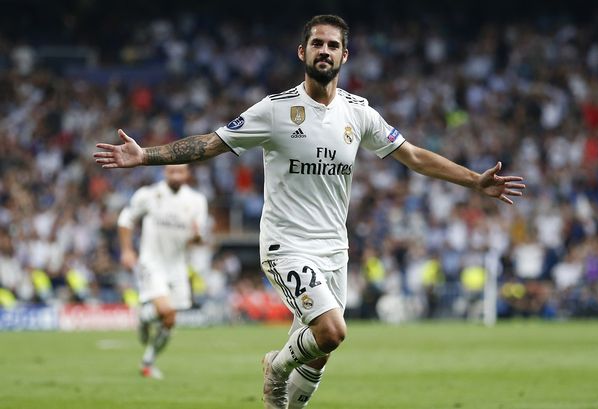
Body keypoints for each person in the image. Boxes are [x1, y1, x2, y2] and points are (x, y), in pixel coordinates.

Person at [95, 14, 524, 408]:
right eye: (317, 43)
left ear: (344, 56)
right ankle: (275, 367)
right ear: (302, 52)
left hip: (334, 249)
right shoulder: (275, 110)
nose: (324, 51)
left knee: (320, 352)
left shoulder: (359, 113)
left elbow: (412, 155)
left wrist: (474, 180)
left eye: (333, 45)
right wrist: (145, 156)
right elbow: (211, 143)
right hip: (286, 245)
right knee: (332, 330)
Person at [117, 164, 207, 379]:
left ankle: (147, 361)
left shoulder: (196, 201)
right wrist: (127, 250)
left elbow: (198, 238)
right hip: (152, 262)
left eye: (180, 171)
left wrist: (197, 237)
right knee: (166, 310)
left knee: (170, 320)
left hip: (178, 266)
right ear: (164, 172)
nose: (176, 175)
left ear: (187, 173)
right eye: (171, 171)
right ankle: (144, 318)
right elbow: (125, 219)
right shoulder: (149, 195)